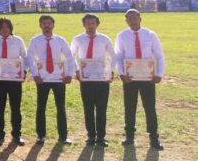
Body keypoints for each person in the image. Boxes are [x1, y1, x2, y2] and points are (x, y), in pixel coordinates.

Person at [115, 9, 165, 150]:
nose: (132, 21)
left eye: (134, 18)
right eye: (129, 19)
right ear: (126, 21)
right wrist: (122, 73)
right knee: (129, 107)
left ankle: (154, 137)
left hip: (148, 78)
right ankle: (129, 136)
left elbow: (159, 56)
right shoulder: (122, 36)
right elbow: (118, 57)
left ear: (140, 18)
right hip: (130, 78)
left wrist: (159, 74)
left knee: (149, 108)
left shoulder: (150, 35)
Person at [27, 15, 76, 145]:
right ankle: (41, 135)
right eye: (44, 23)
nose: (47, 26)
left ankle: (63, 136)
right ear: (40, 25)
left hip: (58, 79)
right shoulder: (35, 40)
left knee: (61, 107)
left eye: (49, 23)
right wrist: (35, 74)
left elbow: (70, 57)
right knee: (41, 107)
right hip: (42, 79)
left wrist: (69, 74)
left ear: (53, 25)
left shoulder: (60, 40)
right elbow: (30, 58)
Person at [70, 14, 116, 147]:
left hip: (102, 79)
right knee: (88, 108)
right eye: (88, 23)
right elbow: (70, 56)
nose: (90, 26)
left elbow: (113, 56)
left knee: (101, 109)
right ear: (84, 25)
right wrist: (77, 71)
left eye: (93, 23)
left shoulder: (104, 39)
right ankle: (90, 136)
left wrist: (111, 71)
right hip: (86, 79)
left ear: (97, 24)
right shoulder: (78, 39)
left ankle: (101, 137)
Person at [0, 17, 27, 146]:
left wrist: (24, 71)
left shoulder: (18, 40)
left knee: (15, 108)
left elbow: (25, 57)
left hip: (14, 80)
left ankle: (16, 134)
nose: (5, 29)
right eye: (2, 27)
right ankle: (0, 135)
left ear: (11, 28)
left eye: (7, 27)